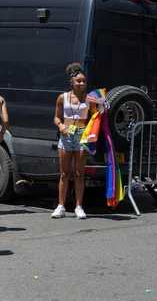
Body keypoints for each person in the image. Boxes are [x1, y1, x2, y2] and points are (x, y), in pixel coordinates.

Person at [51, 63, 96, 219]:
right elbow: (56, 117)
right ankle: (61, 206)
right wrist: (61, 125)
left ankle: (78, 206)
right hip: (66, 135)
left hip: (82, 134)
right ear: (72, 82)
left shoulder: (90, 99)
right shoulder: (63, 97)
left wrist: (103, 107)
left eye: (83, 81)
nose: (81, 84)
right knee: (64, 173)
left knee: (79, 173)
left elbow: (95, 117)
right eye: (78, 81)